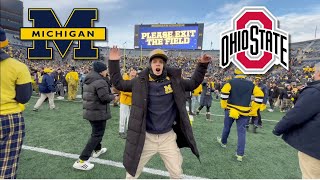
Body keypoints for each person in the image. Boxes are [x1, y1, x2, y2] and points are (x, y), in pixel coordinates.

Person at [108, 46, 211, 178]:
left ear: (164, 65)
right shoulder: (139, 82)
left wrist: (202, 65)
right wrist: (114, 62)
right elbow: (119, 84)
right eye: (155, 61)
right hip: (146, 138)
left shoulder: (174, 81)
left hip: (167, 137)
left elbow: (193, 83)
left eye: (161, 62)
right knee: (132, 173)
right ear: (150, 64)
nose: (158, 64)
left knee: (176, 173)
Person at [273, 62, 320, 179]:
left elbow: (297, 114)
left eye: (314, 72)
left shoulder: (316, 91)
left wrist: (278, 129)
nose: (313, 75)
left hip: (315, 148)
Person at [0, 27, 32, 179]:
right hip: (9, 117)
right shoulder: (18, 66)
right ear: (5, 43)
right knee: (7, 167)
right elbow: (24, 98)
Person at [73, 62, 115, 170]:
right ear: (101, 71)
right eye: (106, 70)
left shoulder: (90, 79)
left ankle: (97, 150)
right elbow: (105, 98)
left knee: (96, 133)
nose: (107, 71)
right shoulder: (100, 81)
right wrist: (114, 97)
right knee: (97, 135)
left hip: (91, 111)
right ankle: (81, 160)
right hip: (97, 112)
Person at [217, 68, 264, 162]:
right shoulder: (251, 84)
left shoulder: (230, 82)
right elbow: (260, 95)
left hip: (230, 110)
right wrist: (253, 110)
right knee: (241, 133)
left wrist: (224, 106)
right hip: (245, 112)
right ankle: (240, 154)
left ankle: (223, 142)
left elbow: (224, 95)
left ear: (235, 73)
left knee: (227, 127)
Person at [119, 68, 137, 139]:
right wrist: (133, 94)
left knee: (130, 117)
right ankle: (121, 131)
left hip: (133, 101)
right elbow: (123, 90)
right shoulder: (125, 78)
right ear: (129, 71)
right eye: (132, 70)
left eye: (134, 70)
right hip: (124, 101)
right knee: (123, 117)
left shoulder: (136, 79)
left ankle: (128, 131)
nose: (133, 72)